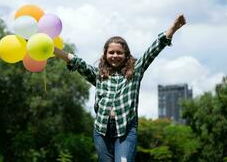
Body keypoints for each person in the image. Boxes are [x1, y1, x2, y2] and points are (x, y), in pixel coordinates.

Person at [54, 14, 186, 162]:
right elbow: (76, 61)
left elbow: (153, 50)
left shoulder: (135, 71)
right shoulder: (98, 75)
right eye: (111, 52)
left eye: (119, 52)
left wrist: (173, 28)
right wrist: (52, 49)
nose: (115, 55)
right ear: (105, 55)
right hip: (101, 131)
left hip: (126, 129)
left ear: (126, 55)